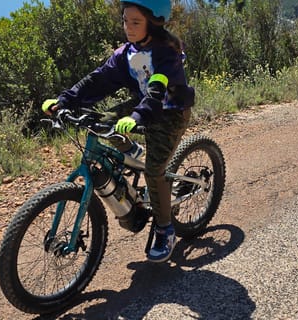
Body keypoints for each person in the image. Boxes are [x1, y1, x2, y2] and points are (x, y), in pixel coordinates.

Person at [42, 0, 194, 263]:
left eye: (136, 22)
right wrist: (64, 101)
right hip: (140, 108)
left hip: (170, 112)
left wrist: (138, 116)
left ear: (153, 22)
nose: (128, 27)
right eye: (125, 20)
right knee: (100, 120)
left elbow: (157, 89)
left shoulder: (166, 50)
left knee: (154, 171)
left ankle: (164, 228)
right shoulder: (125, 53)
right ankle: (130, 149)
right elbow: (97, 80)